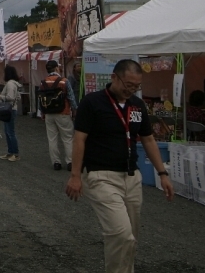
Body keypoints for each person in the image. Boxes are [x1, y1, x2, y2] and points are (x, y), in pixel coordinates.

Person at [67, 59, 174, 273]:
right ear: (114, 77)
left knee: (131, 237)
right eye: (128, 85)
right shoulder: (92, 103)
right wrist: (75, 175)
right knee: (121, 233)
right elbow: (80, 139)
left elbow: (148, 139)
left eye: (136, 86)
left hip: (131, 178)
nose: (131, 90)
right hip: (101, 177)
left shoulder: (137, 105)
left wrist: (162, 173)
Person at [40, 60, 78, 171]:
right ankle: (70, 161)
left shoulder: (43, 82)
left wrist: (42, 112)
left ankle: (56, 162)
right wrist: (75, 110)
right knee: (67, 138)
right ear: (56, 68)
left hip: (49, 114)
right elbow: (71, 97)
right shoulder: (64, 81)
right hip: (63, 112)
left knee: (52, 139)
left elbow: (40, 99)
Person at [0, 65, 21, 161]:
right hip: (12, 109)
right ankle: (10, 152)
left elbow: (10, 97)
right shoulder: (15, 84)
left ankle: (15, 153)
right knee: (8, 131)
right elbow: (18, 97)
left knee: (10, 132)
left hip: (9, 109)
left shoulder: (10, 84)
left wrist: (0, 96)